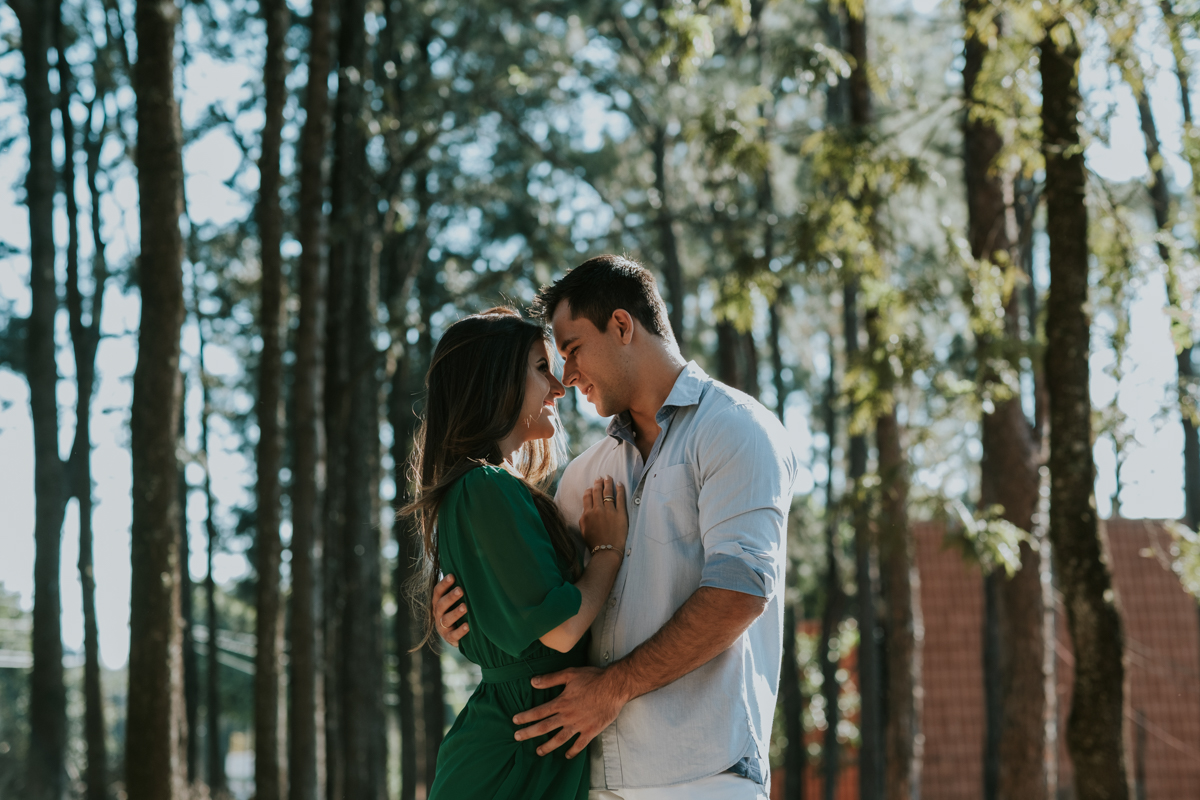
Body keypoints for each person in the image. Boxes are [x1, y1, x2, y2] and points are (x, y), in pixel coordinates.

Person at [432, 255, 799, 800]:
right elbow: (541, 606)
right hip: (588, 779)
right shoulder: (582, 474)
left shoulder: (734, 430)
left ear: (623, 326)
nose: (566, 377)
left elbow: (740, 592)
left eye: (573, 349)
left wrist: (614, 688)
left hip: (702, 777)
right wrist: (462, 619)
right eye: (552, 362)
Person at [405, 307, 631, 800]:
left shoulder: (490, 490)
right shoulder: (487, 487)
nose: (559, 385)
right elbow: (562, 628)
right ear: (494, 380)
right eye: (539, 367)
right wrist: (608, 549)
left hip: (527, 746)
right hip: (510, 757)